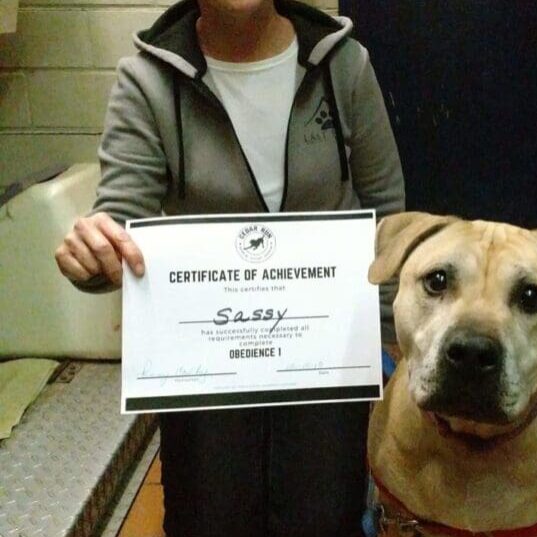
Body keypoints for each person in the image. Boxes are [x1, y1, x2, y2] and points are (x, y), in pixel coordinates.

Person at [54, 0, 405, 535]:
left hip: (326, 363)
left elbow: (385, 211)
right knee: (208, 518)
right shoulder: (147, 80)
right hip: (207, 376)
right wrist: (92, 256)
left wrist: (381, 350)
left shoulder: (344, 65)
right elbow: (119, 223)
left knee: (325, 516)